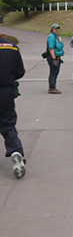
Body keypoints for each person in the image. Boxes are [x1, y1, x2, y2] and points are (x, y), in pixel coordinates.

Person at [0, 33, 26, 178]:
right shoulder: (12, 47)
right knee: (8, 125)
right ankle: (16, 152)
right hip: (5, 92)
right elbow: (19, 71)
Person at [46, 24, 65, 94]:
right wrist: (54, 58)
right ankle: (52, 87)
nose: (57, 30)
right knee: (53, 72)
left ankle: (53, 86)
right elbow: (51, 48)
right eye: (55, 29)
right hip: (53, 57)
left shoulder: (57, 37)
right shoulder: (51, 37)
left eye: (58, 29)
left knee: (56, 72)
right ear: (52, 29)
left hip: (58, 57)